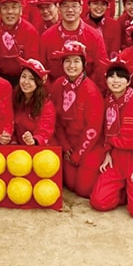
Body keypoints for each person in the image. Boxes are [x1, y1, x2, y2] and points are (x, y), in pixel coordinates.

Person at [90, 59, 133, 219]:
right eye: (111, 76)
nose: (115, 80)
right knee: (99, 202)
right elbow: (104, 131)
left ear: (128, 81)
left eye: (120, 76)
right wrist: (107, 152)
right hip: (115, 158)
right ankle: (125, 192)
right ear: (106, 80)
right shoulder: (107, 102)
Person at [50, 41, 104, 198]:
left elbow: (93, 129)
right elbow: (55, 121)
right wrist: (66, 148)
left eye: (76, 61)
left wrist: (78, 154)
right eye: (67, 61)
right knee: (70, 184)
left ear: (84, 64)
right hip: (68, 143)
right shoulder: (57, 85)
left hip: (90, 145)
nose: (71, 65)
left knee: (83, 190)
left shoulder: (91, 90)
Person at [40, 0, 108, 86]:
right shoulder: (47, 36)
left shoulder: (94, 36)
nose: (70, 10)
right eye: (65, 6)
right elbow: (42, 70)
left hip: (87, 90)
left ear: (81, 9)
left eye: (74, 6)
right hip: (55, 91)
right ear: (59, 9)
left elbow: (101, 69)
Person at [12, 58, 56, 146]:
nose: (26, 82)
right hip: (18, 149)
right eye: (23, 76)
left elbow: (45, 131)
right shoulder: (14, 98)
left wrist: (34, 140)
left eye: (31, 78)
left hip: (41, 149)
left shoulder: (47, 105)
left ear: (39, 82)